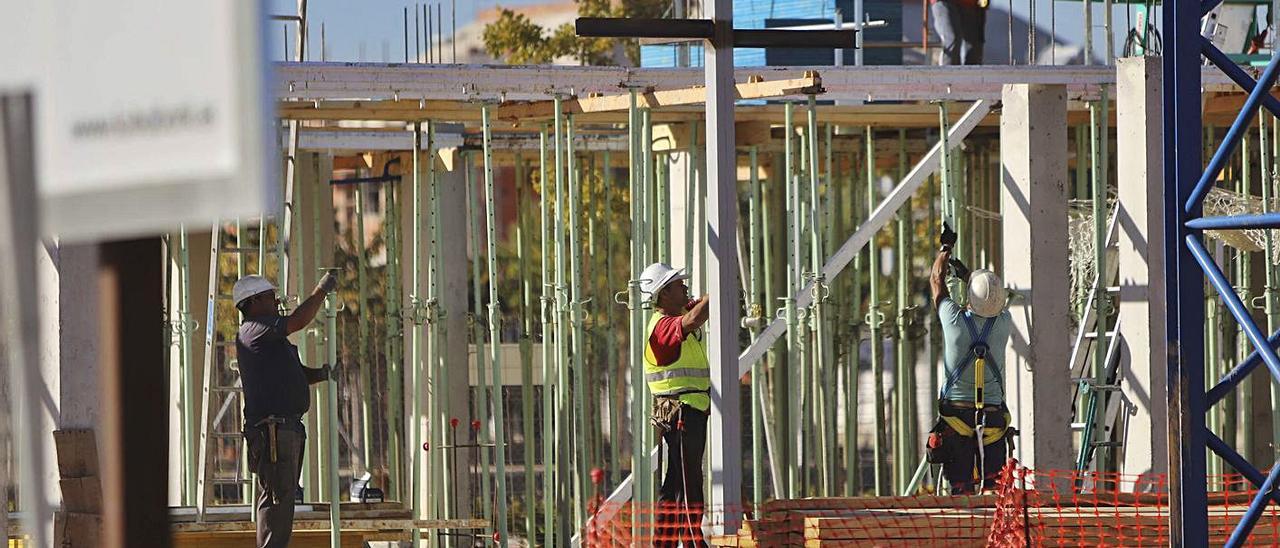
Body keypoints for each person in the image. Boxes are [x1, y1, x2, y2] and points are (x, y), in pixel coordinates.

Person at [233, 272, 338, 548]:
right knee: (277, 500)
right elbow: (297, 322)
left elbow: (298, 374)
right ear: (253, 301)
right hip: (273, 431)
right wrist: (321, 290)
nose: (276, 301)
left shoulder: (271, 339)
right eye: (270, 297)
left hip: (285, 427)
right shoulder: (253, 328)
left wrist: (324, 374)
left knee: (283, 499)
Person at [926, 245, 1013, 494]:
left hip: (957, 419)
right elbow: (991, 300)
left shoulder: (953, 320)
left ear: (969, 297)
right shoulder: (1004, 322)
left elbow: (936, 279)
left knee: (961, 491)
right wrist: (969, 276)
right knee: (994, 492)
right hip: (993, 420)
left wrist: (944, 250)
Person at [638, 262, 711, 548]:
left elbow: (695, 306)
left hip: (688, 410)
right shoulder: (663, 327)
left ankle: (671, 543)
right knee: (686, 481)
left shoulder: (674, 313)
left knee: (680, 480)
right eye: (678, 283)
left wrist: (710, 296)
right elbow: (693, 318)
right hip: (680, 412)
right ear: (664, 293)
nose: (684, 286)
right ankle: (690, 541)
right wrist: (716, 294)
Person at [931, 0, 986, 65]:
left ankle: (971, 75)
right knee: (952, 39)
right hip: (945, 2)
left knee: (974, 49)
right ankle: (947, 73)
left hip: (972, 4)